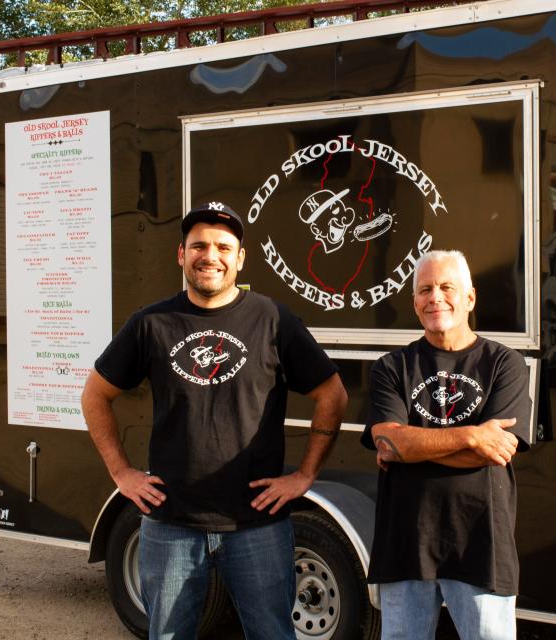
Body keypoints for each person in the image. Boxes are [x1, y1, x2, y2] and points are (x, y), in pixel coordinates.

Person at [81, 201, 347, 640]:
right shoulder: (151, 323)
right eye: (199, 245)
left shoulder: (274, 320)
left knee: (273, 635)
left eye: (224, 246)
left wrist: (304, 476)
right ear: (181, 254)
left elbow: (331, 394)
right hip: (169, 525)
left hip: (256, 526)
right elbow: (95, 394)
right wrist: (121, 472)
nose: (211, 255)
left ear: (240, 258)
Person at [360, 250, 531, 640]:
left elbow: (498, 450)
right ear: (415, 303)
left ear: (470, 298)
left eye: (446, 287)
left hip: (481, 545)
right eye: (425, 290)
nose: (435, 297)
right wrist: (472, 435)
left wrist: (412, 448)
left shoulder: (505, 364)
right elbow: (387, 443)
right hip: (405, 546)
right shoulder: (392, 367)